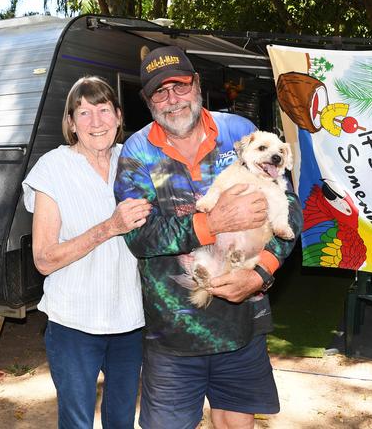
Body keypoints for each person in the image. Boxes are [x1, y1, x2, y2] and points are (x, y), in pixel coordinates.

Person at [114, 46, 303, 429]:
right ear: (149, 101)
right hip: (174, 333)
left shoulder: (241, 132)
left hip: (242, 324)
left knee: (237, 423)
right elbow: (139, 238)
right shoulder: (137, 151)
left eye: (180, 87)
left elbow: (290, 208)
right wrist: (211, 222)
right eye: (159, 93)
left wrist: (261, 272)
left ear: (197, 85)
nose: (173, 100)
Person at [22, 76, 152, 429]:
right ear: (71, 123)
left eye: (104, 110)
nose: (96, 122)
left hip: (129, 318)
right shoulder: (52, 168)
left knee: (122, 420)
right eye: (84, 113)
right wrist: (109, 227)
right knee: (77, 422)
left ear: (119, 116)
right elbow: (44, 259)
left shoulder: (135, 159)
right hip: (74, 322)